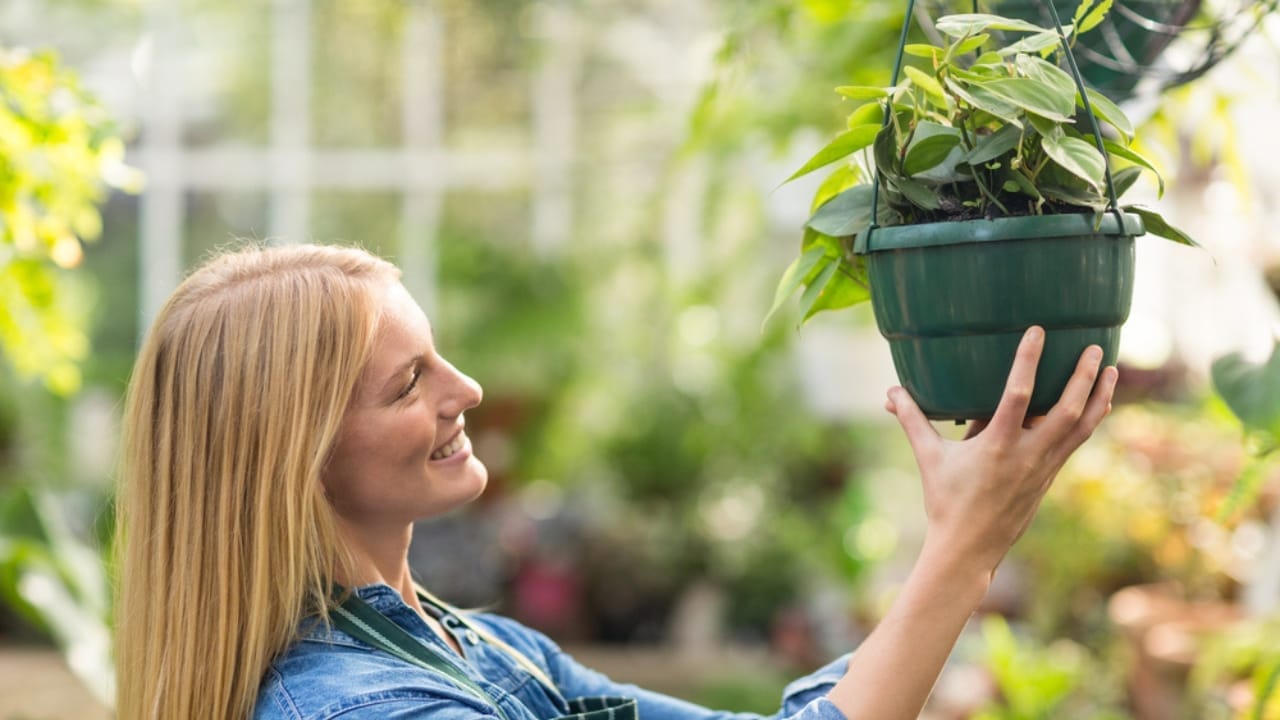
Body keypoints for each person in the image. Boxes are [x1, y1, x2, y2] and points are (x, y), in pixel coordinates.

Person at [114, 243, 1119, 720]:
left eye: (441, 355)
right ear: (296, 453)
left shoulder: (482, 651)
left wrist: (963, 543)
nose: (465, 389)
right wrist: (964, 546)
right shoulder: (368, 708)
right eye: (409, 382)